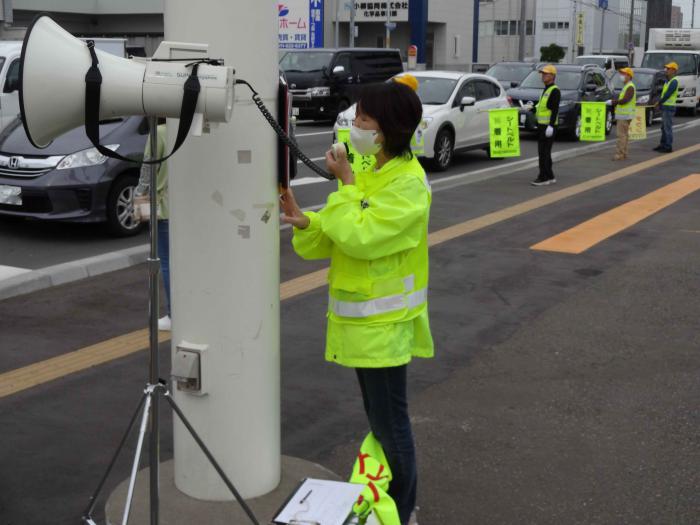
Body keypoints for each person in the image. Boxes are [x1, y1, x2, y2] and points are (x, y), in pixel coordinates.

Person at [281, 78, 432, 525]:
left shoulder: (408, 184)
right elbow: (335, 231)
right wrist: (306, 222)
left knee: (391, 426)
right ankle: (394, 503)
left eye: (364, 118)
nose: (354, 124)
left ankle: (402, 512)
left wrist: (344, 182)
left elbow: (362, 237)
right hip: (364, 325)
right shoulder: (372, 171)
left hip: (383, 327)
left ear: (386, 129)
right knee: (381, 422)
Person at [134, 121, 171, 331]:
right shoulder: (183, 129)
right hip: (185, 208)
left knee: (165, 262)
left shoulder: (159, 133)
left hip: (163, 207)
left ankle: (173, 314)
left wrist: (139, 194)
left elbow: (148, 168)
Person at [531, 64, 560, 186]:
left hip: (548, 126)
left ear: (552, 76)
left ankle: (543, 177)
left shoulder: (554, 90)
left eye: (546, 74)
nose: (543, 76)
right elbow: (542, 106)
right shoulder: (547, 89)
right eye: (542, 74)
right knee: (545, 152)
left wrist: (551, 126)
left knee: (543, 152)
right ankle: (550, 175)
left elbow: (554, 110)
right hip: (543, 125)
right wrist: (532, 108)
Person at [609, 67, 636, 161]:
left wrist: (613, 102)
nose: (622, 76)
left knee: (621, 136)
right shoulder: (627, 86)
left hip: (625, 115)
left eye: (624, 74)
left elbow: (625, 100)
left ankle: (620, 154)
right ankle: (623, 153)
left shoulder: (630, 87)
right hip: (625, 115)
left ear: (629, 76)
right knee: (624, 135)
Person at [654, 62, 679, 153]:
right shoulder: (667, 81)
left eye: (668, 69)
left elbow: (667, 95)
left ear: (673, 70)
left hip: (669, 107)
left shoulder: (674, 81)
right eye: (666, 68)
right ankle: (663, 144)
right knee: (663, 127)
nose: (666, 70)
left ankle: (668, 146)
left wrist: (659, 102)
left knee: (667, 128)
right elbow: (663, 93)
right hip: (665, 106)